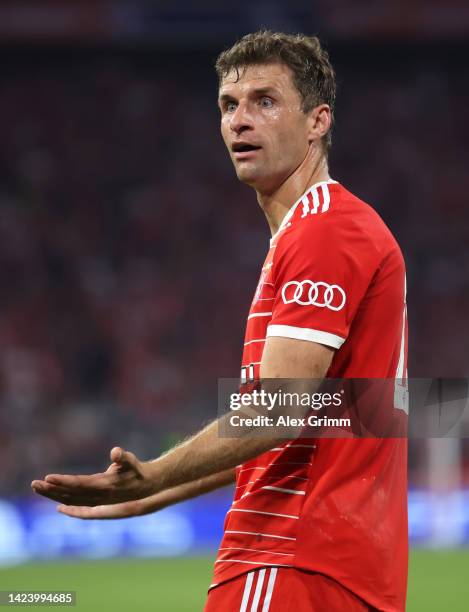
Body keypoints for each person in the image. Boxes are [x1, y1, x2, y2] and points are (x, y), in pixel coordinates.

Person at [32, 31, 408, 611]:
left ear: (318, 121)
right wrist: (164, 492)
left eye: (265, 101)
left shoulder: (325, 230)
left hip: (287, 556)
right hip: (341, 570)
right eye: (229, 105)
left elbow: (279, 412)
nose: (239, 121)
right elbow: (351, 411)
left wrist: (156, 474)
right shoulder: (328, 231)